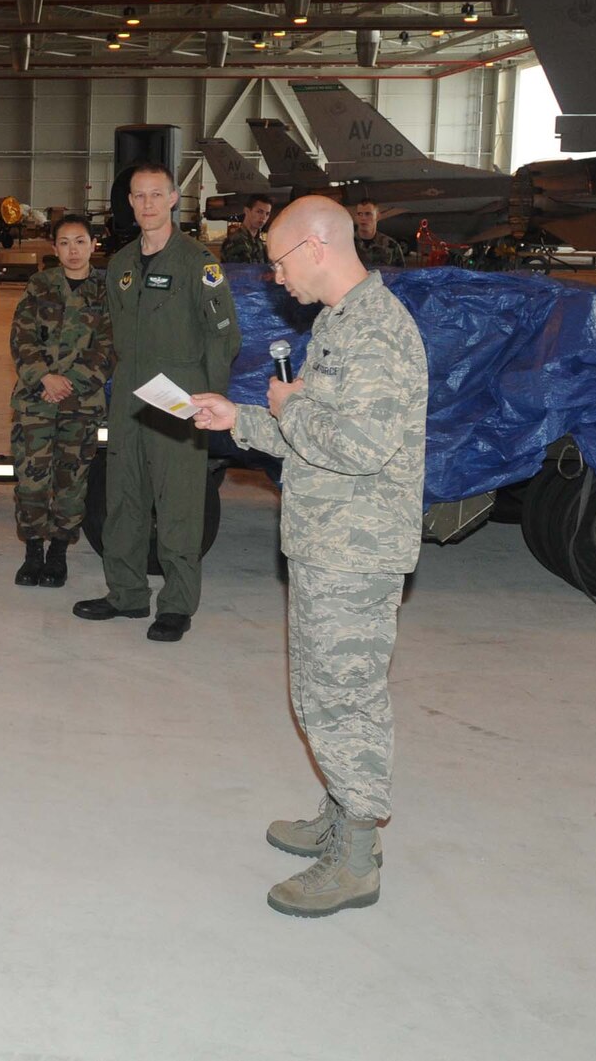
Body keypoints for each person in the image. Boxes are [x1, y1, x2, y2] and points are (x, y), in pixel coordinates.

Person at [189, 195, 427, 918]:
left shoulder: (377, 332)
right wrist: (239, 418)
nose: (275, 276)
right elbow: (313, 434)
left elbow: (359, 445)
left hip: (356, 549)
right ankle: (341, 809)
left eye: (278, 262)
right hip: (327, 540)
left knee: (345, 699)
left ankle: (356, 859)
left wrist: (289, 406)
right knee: (319, 692)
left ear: (315, 248)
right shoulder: (337, 322)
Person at [76, 163, 239, 642]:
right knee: (123, 498)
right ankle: (126, 593)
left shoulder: (197, 263)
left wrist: (209, 400)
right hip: (130, 397)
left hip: (179, 399)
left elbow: (224, 337)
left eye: (155, 195)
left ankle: (177, 604)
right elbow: (114, 333)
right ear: (129, 202)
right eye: (138, 196)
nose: (146, 204)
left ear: (173, 200)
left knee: (179, 505)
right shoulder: (122, 264)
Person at [9, 216, 112, 589]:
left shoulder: (106, 290)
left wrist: (70, 383)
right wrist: (44, 378)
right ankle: (33, 549)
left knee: (71, 482)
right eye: (65, 243)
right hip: (36, 400)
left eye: (80, 241)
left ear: (93, 245)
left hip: (80, 403)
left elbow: (109, 347)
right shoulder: (40, 285)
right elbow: (21, 337)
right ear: (54, 248)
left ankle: (58, 552)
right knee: (31, 479)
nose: (73, 250)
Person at [351, 199, 408, 268]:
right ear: (356, 218)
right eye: (359, 214)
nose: (363, 218)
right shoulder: (348, 244)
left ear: (377, 216)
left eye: (368, 214)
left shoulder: (391, 246)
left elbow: (400, 272)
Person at [221, 194, 274, 265]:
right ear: (247, 211)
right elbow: (241, 270)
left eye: (267, 214)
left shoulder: (258, 242)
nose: (263, 217)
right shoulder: (236, 240)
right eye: (259, 212)